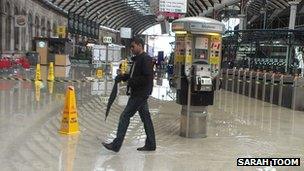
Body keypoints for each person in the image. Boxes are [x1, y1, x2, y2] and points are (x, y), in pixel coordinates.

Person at [102, 37, 156, 152]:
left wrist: (131, 82)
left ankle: (116, 145)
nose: (131, 49)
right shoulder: (137, 59)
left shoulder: (145, 59)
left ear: (140, 46)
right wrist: (123, 77)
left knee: (125, 116)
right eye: (130, 47)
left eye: (133, 46)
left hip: (140, 94)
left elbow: (146, 78)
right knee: (146, 118)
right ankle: (151, 144)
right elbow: (134, 75)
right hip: (139, 93)